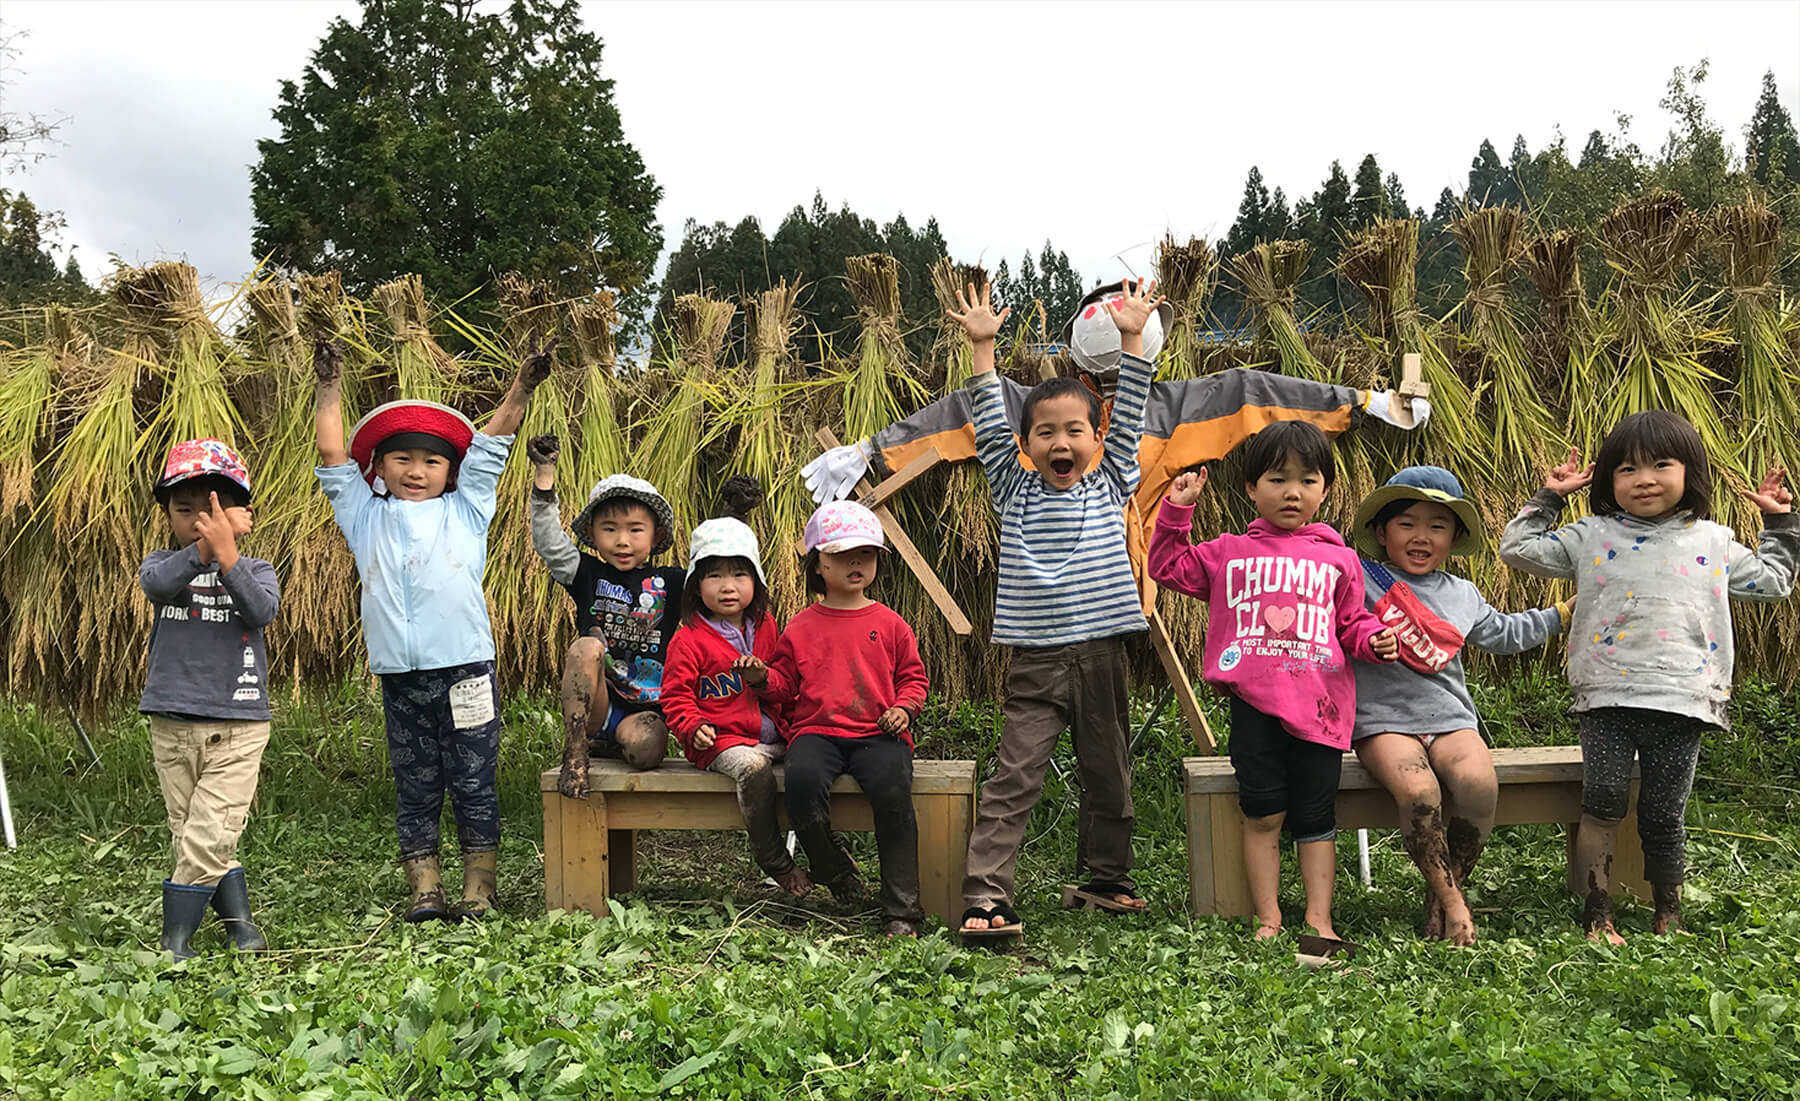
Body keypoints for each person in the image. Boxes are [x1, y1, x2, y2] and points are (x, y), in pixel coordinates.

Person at [1500, 412, 1797, 942]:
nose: (1644, 479)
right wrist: (1548, 498)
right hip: (1606, 697)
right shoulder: (1591, 535)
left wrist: (1779, 525)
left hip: (1683, 700)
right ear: (1609, 479)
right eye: (1627, 468)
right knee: (1603, 804)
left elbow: (1774, 583)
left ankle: (1669, 915)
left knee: (1663, 815)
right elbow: (1518, 550)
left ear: (1691, 473)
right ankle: (1597, 913)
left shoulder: (1714, 540)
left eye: (1662, 464)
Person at [946, 279, 1162, 938]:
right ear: (1027, 443)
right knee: (1015, 776)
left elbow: (1131, 409)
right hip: (1035, 662)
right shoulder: (1013, 489)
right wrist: (983, 348)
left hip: (1103, 655)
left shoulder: (1112, 478)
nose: (1060, 441)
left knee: (1110, 771)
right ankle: (986, 897)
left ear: (1097, 440)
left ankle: (1108, 877)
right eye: (1045, 432)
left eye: (1075, 430)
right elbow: (987, 421)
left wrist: (1131, 338)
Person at [312, 336, 551, 923]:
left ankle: (480, 887)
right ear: (381, 467)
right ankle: (425, 887)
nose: (416, 471)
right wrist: (328, 385)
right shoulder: (362, 513)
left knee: (473, 778)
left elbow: (493, 444)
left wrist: (522, 387)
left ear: (451, 472)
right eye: (402, 460)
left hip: (466, 669)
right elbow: (331, 453)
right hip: (401, 676)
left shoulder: (467, 508)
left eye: (432, 461)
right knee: (416, 783)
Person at [1147, 421, 1400, 941]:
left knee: (1315, 818)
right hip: (1254, 710)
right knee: (1262, 814)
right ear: (1250, 488)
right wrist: (1177, 510)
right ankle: (1269, 918)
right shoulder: (1228, 553)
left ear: (1325, 490)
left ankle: (1318, 920)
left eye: (1308, 480)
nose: (1292, 492)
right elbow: (1167, 566)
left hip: (1321, 712)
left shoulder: (1340, 559)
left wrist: (1373, 637)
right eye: (1278, 479)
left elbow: (1351, 624)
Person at [1348, 466, 1571, 946]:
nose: (1421, 537)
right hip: (1382, 723)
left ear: (1454, 537)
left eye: (1438, 525)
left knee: (1478, 784)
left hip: (1449, 719)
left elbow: (1510, 634)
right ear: (1381, 532)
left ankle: (1443, 894)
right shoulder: (1356, 580)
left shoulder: (1462, 594)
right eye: (1406, 523)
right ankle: (1455, 907)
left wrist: (1566, 612)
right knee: (1419, 792)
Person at [741, 500, 930, 937]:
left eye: (865, 554)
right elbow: (785, 685)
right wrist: (760, 678)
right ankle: (833, 868)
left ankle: (901, 910)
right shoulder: (802, 626)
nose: (856, 563)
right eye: (842, 556)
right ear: (818, 565)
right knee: (801, 786)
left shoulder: (891, 624)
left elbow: (913, 679)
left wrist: (903, 708)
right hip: (817, 733)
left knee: (893, 796)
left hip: (877, 734)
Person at [140, 439, 279, 960]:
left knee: (212, 830)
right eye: (186, 511)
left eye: (214, 510)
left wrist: (227, 557)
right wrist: (203, 551)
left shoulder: (257, 570)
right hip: (172, 722)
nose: (201, 520)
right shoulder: (163, 566)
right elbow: (156, 586)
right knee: (193, 831)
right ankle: (241, 925)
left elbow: (261, 611)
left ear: (242, 514)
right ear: (168, 517)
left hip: (239, 723)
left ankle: (175, 940)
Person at [660, 479, 809, 896]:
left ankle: (824, 851)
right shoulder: (688, 638)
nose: (728, 586)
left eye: (739, 574)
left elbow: (785, 687)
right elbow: (674, 697)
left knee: (814, 760)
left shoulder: (766, 626)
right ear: (695, 585)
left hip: (773, 732)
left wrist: (763, 679)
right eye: (715, 576)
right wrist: (692, 727)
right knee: (755, 769)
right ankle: (773, 858)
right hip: (722, 740)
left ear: (756, 581)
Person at [526, 435, 683, 795]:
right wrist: (545, 474)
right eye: (610, 530)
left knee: (645, 750)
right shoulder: (587, 574)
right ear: (593, 535)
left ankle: (611, 746)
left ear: (655, 535)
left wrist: (735, 515)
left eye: (634, 530)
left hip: (643, 710)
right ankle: (576, 751)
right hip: (596, 706)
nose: (622, 541)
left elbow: (714, 576)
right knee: (585, 647)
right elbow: (549, 541)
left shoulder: (671, 582)